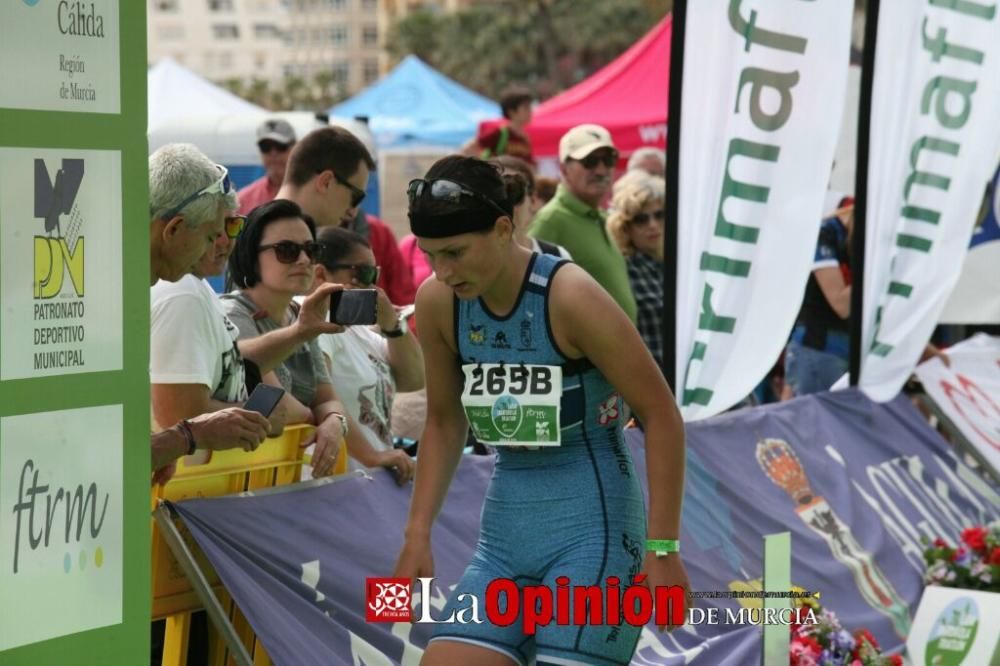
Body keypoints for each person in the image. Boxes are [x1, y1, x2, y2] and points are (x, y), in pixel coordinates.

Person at [394, 156, 689, 665]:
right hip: (504, 542)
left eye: (456, 253)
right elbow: (445, 420)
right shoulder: (439, 300)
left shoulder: (569, 295)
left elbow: (660, 414)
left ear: (504, 228)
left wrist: (664, 549)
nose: (443, 271)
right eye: (431, 255)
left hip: (595, 537)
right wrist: (417, 533)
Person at [148, 144, 271, 479]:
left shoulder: (152, 288)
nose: (221, 245)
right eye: (212, 235)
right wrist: (187, 436)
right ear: (173, 230)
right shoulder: (177, 293)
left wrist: (165, 445)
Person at [222, 199, 348, 477]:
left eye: (311, 250)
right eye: (287, 250)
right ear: (250, 255)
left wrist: (335, 420)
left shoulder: (298, 314)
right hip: (242, 478)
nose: (304, 260)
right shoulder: (232, 313)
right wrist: (321, 419)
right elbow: (277, 403)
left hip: (285, 476)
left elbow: (328, 397)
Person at [311, 226, 424, 483]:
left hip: (371, 482)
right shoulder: (320, 324)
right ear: (320, 274)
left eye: (375, 273)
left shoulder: (358, 331)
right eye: (363, 273)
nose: (372, 284)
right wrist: (371, 456)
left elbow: (414, 380)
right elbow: (321, 400)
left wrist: (392, 324)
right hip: (341, 484)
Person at [530, 124, 638, 322]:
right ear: (564, 169)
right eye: (590, 161)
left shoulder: (602, 217)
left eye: (608, 160)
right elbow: (531, 300)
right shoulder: (551, 220)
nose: (601, 169)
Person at [607, 173, 666, 365]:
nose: (653, 225)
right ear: (625, 227)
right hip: (652, 381)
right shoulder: (624, 269)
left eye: (659, 215)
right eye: (641, 219)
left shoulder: (680, 266)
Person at [274, 125, 375, 229]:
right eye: (356, 198)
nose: (353, 213)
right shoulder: (283, 239)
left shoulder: (261, 232)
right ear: (326, 182)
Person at [491, 156, 571, 260]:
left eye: (512, 190)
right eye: (492, 193)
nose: (504, 202)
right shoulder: (469, 260)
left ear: (532, 200)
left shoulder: (556, 256)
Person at [238, 118, 297, 215]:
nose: (273, 153)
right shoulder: (243, 200)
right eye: (265, 147)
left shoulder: (312, 194)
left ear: (296, 147)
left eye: (280, 146)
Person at [471, 85, 534, 163]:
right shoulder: (500, 133)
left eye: (530, 107)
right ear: (512, 111)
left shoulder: (525, 139)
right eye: (526, 108)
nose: (531, 112)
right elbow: (469, 148)